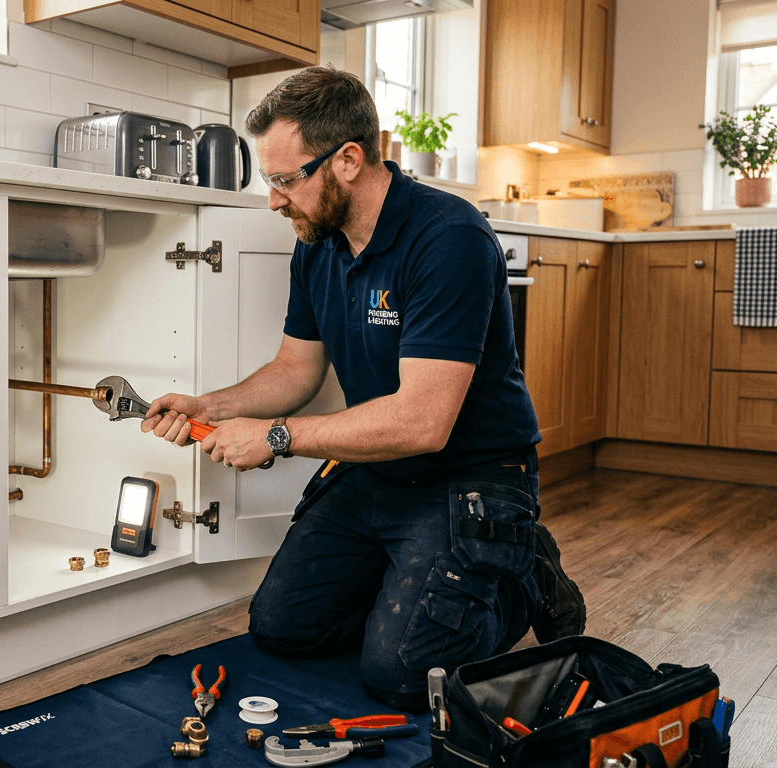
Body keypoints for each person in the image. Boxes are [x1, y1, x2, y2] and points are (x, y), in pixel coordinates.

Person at [141, 67, 585, 712]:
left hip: (469, 475)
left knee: (402, 676)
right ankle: (418, 582)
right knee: (282, 629)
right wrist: (208, 406)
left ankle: (521, 576)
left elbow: (422, 423)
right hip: (376, 469)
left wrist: (276, 438)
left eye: (285, 180)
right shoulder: (318, 241)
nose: (274, 201)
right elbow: (296, 370)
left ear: (348, 160)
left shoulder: (448, 237)